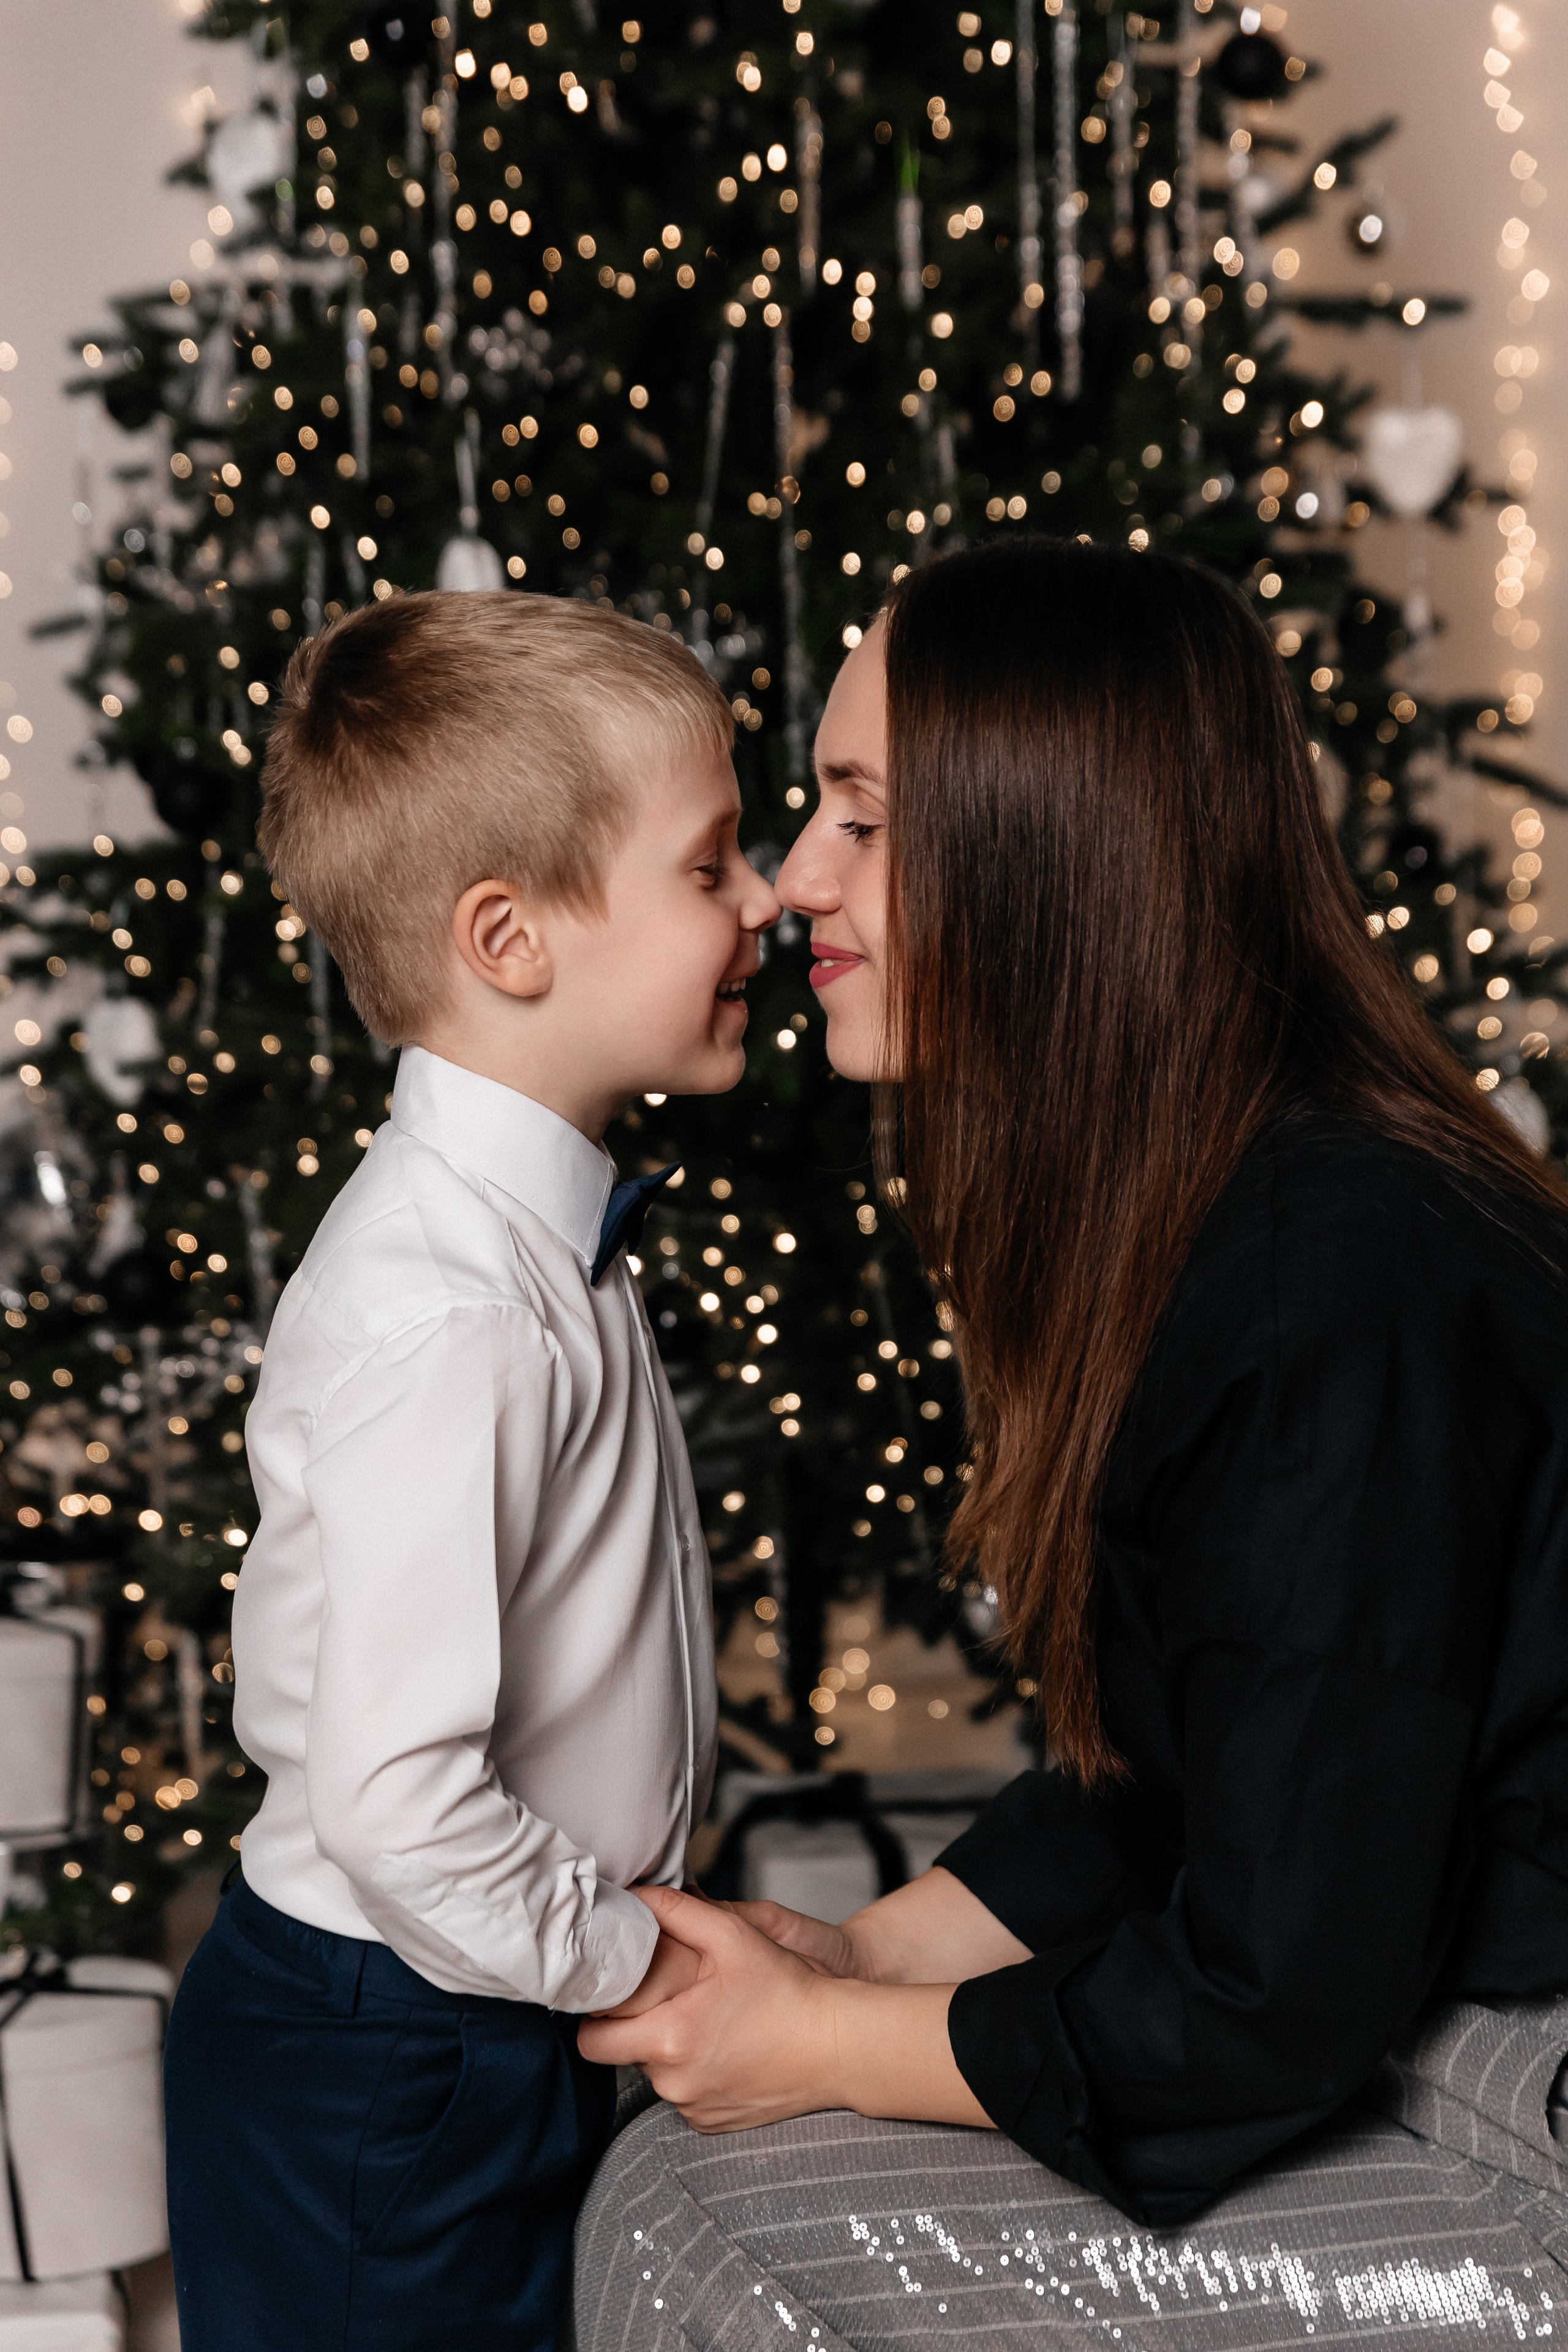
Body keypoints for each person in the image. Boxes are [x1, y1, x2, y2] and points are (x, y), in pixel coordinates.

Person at [574, 539, 1568, 2351]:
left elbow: (1276, 1989)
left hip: (1524, 2123)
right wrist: (859, 1962)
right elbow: (1191, 1780)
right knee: (686, 2176)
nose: (795, 885)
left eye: (861, 819)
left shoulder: (1334, 1278)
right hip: (1416, 2026)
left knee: (701, 2231)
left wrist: (830, 2046)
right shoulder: (1217, 1211)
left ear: (1056, 847)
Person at [162, 590, 780, 2351]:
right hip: (390, 2054)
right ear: (510, 940)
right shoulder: (457, 1312)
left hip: (476, 2001)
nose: (764, 906)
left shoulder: (535, 1230)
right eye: (709, 866)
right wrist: (638, 1962)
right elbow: (397, 1801)